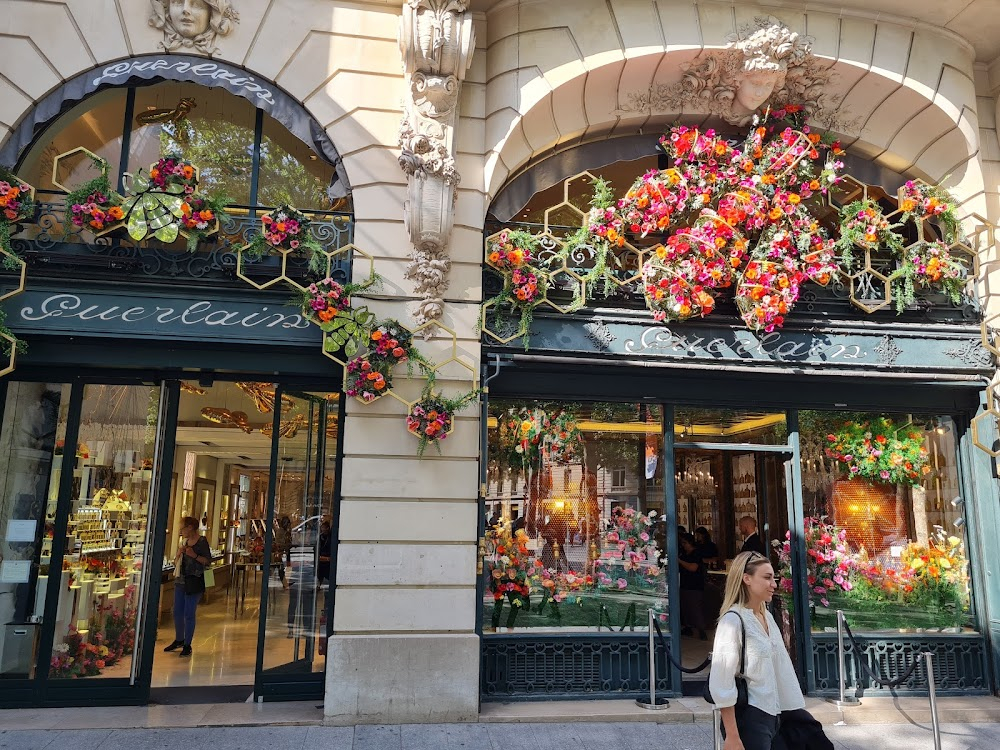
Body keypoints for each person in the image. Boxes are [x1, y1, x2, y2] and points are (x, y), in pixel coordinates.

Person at [709, 551, 805, 750]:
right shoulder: (733, 621)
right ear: (747, 579)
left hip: (776, 714)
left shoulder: (767, 617)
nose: (774, 584)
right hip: (750, 718)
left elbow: (781, 670)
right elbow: (722, 682)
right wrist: (733, 736)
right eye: (767, 577)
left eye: (774, 578)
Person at [163, 515, 211, 658]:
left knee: (189, 613)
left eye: (182, 527)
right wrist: (178, 555)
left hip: (194, 581)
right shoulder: (183, 542)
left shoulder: (201, 542)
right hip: (180, 580)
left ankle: (187, 644)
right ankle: (179, 639)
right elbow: (175, 563)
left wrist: (194, 555)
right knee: (177, 612)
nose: (181, 530)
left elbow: (207, 561)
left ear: (190, 527)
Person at [678, 533, 708, 640]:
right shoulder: (683, 553)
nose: (683, 545)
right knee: (685, 608)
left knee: (695, 608)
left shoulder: (696, 553)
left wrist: (680, 561)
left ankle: (701, 630)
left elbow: (693, 567)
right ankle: (688, 628)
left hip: (694, 585)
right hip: (684, 584)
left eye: (685, 543)